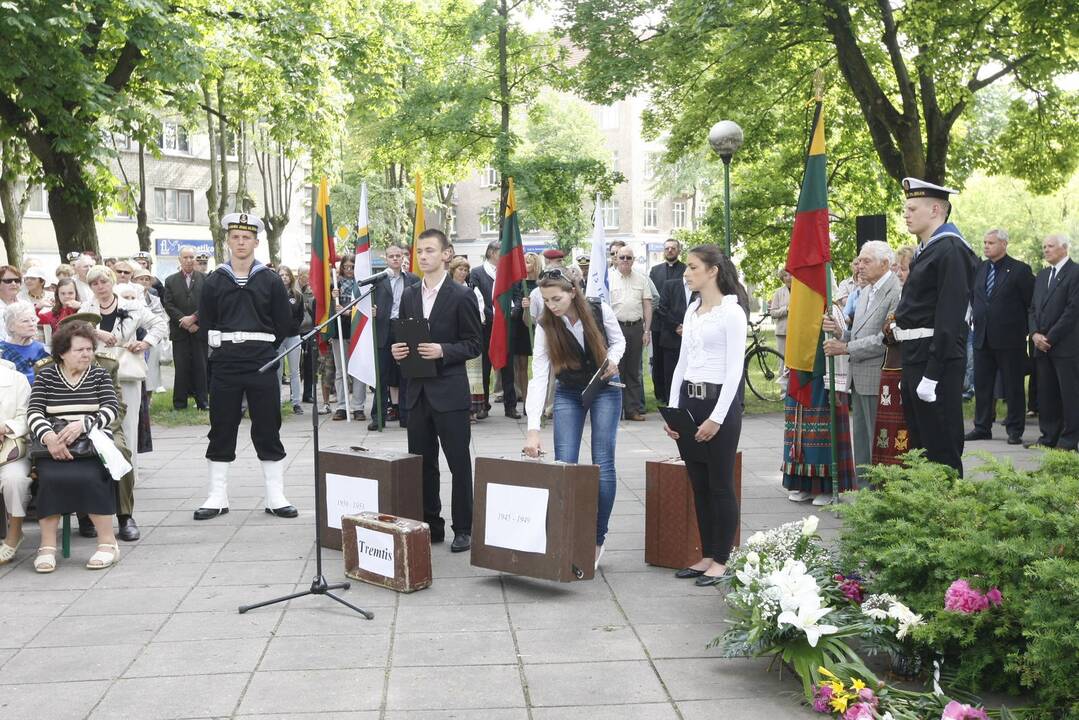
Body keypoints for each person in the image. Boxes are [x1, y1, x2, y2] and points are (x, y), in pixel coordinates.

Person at [195, 212, 296, 520]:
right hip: (225, 362)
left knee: (268, 425)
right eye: (235, 237)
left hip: (261, 362)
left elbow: (283, 324)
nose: (241, 242)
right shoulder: (214, 280)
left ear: (256, 241)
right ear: (228, 241)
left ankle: (275, 495)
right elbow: (206, 322)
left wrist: (261, 347)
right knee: (222, 425)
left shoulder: (269, 280)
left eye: (247, 237)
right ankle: (217, 495)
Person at [522, 268, 625, 568]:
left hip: (605, 387)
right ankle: (565, 536)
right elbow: (539, 377)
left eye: (557, 298)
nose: (552, 306)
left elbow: (619, 342)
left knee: (602, 462)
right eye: (546, 300)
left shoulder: (598, 309)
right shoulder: (545, 326)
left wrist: (614, 361)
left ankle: (596, 538)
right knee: (565, 464)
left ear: (573, 292)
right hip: (568, 391)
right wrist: (532, 429)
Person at [392, 228, 482, 552]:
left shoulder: (461, 295)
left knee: (458, 462)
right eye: (419, 251)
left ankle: (464, 527)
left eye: (430, 250)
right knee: (422, 463)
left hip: (449, 393)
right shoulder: (409, 294)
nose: (423, 256)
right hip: (417, 393)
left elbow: (474, 343)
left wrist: (443, 351)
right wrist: (397, 351)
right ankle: (432, 524)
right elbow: (403, 337)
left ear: (446, 254)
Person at [664, 245, 748, 586]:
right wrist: (672, 410)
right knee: (698, 484)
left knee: (720, 484)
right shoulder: (693, 310)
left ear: (712, 270)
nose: (687, 272)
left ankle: (723, 558)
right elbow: (681, 363)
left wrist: (716, 417)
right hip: (690, 401)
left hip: (719, 405)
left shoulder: (732, 312)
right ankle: (707, 554)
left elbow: (734, 370)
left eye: (693, 266)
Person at [891, 178, 977, 475]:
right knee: (921, 445)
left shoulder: (951, 249)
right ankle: (926, 516)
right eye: (906, 208)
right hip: (918, 355)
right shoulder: (928, 249)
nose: (906, 214)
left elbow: (950, 318)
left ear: (936, 210)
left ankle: (946, 516)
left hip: (936, 360)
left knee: (941, 448)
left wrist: (931, 374)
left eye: (913, 208)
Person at [81, 265, 167, 541]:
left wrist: (145, 343)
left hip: (126, 374)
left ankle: (127, 492)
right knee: (94, 432)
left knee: (126, 432)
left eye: (104, 282)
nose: (100, 287)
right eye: (95, 284)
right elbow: (72, 333)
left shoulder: (131, 305)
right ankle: (91, 505)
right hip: (93, 375)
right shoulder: (86, 308)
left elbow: (159, 323)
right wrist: (95, 334)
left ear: (112, 281)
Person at [27, 321, 122, 572]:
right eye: (80, 350)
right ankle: (47, 546)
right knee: (49, 479)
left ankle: (107, 543)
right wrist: (48, 437)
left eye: (89, 349)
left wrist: (84, 424)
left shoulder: (99, 374)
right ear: (63, 352)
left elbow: (111, 409)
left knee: (92, 477)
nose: (87, 354)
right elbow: (34, 411)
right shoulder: (46, 375)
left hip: (91, 444)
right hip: (54, 445)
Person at [822, 241, 900, 483]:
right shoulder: (866, 290)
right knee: (863, 444)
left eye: (866, 261)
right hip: (860, 378)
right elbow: (858, 334)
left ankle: (881, 497)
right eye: (859, 260)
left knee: (880, 443)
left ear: (885, 263)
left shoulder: (896, 292)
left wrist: (845, 347)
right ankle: (866, 496)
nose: (859, 266)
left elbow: (885, 339)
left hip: (880, 378)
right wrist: (840, 332)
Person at [783, 286, 857, 506]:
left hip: (824, 379)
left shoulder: (831, 310)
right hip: (801, 376)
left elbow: (840, 344)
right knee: (799, 432)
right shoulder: (798, 310)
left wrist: (837, 384)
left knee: (822, 430)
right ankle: (802, 482)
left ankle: (825, 485)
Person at [966, 229, 1036, 445]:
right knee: (983, 385)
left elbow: (1030, 304)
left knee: (1013, 385)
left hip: (1010, 339)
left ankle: (1015, 429)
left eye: (991, 243)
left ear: (1004, 244)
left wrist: (1024, 331)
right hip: (982, 337)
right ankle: (982, 426)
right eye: (985, 242)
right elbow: (975, 297)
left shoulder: (1019, 270)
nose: (986, 246)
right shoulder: (980, 268)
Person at [1028, 234, 1079, 451]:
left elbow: (1072, 310)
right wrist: (1034, 335)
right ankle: (1048, 437)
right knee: (1047, 394)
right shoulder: (1042, 275)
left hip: (1065, 346)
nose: (1046, 250)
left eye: (1050, 246)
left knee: (1069, 394)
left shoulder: (1075, 273)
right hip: (1041, 345)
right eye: (1044, 246)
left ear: (1064, 248)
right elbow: (1032, 308)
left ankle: (1069, 440)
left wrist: (1049, 337)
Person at [872, 246, 915, 466]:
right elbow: (887, 331)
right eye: (897, 267)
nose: (898, 273)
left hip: (905, 368)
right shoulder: (902, 293)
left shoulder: (916, 297)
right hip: (890, 367)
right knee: (886, 430)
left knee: (901, 428)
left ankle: (902, 477)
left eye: (904, 268)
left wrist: (892, 326)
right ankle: (883, 478)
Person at [368, 243, 418, 430]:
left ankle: (406, 416)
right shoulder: (378, 279)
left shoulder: (412, 279)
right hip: (384, 328)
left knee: (406, 373)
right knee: (381, 374)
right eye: (392, 256)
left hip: (404, 327)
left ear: (403, 257)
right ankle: (377, 417)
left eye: (399, 255)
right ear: (386, 259)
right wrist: (371, 310)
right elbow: (364, 299)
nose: (396, 259)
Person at [469, 240, 521, 419]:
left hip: (507, 327)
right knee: (484, 367)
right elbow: (475, 299)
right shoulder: (476, 273)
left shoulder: (509, 273)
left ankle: (511, 406)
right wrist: (492, 317)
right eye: (502, 252)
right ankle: (482, 405)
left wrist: (513, 311)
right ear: (491, 253)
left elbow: (517, 297)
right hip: (485, 327)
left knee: (508, 368)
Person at [163, 246, 209, 411]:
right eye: (186, 257)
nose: (189, 260)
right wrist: (183, 321)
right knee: (181, 368)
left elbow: (208, 303)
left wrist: (194, 318)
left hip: (199, 330)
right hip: (180, 331)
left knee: (201, 367)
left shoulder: (205, 279)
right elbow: (168, 304)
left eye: (191, 257)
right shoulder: (170, 280)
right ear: (179, 259)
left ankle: (203, 402)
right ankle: (179, 403)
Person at [610, 245, 652, 421]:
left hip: (635, 328)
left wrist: (647, 330)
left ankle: (633, 410)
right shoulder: (608, 278)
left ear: (633, 260)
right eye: (622, 257)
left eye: (629, 257)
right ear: (616, 259)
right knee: (615, 370)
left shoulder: (642, 279)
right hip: (615, 329)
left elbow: (647, 305)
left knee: (633, 370)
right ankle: (616, 410)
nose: (625, 261)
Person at [0, 359, 32, 566]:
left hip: (11, 449)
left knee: (15, 480)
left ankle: (15, 532)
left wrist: (4, 427)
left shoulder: (16, 379)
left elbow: (27, 416)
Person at [329, 253, 366, 421]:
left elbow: (366, 304)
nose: (349, 270)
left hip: (357, 328)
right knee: (340, 369)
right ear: (341, 268)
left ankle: (358, 406)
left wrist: (350, 312)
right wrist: (333, 298)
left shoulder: (362, 283)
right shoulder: (335, 285)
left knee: (358, 370)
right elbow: (326, 309)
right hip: (340, 331)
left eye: (352, 266)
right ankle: (342, 406)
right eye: (346, 267)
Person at [449, 257, 487, 422]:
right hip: (452, 337)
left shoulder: (472, 288)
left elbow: (480, 309)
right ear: (453, 270)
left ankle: (472, 409)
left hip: (471, 334)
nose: (463, 273)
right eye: (460, 269)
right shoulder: (447, 288)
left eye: (465, 270)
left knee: (473, 374)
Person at [649, 238, 686, 404]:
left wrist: (679, 324)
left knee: (680, 359)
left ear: (678, 251)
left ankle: (679, 392)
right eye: (667, 248)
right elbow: (653, 297)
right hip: (659, 323)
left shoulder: (686, 270)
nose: (670, 251)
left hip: (682, 323)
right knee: (659, 360)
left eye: (673, 248)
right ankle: (661, 393)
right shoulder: (655, 271)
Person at [657, 274, 696, 404]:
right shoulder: (670, 285)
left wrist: (689, 328)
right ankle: (672, 404)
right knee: (671, 374)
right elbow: (662, 309)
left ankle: (688, 403)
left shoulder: (700, 288)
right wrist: (676, 326)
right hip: (671, 339)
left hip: (693, 339)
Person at [132, 266, 169, 393]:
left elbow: (161, 317)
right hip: (135, 338)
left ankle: (148, 400)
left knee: (151, 372)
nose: (144, 281)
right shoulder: (130, 296)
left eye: (147, 279)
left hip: (152, 339)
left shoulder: (155, 298)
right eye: (140, 279)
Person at [275, 265, 305, 415]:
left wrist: (293, 327)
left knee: (295, 371)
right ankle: (278, 401)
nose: (284, 277)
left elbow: (300, 316)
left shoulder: (297, 295)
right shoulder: (272, 294)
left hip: (293, 336)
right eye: (281, 275)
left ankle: (296, 402)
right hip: (278, 337)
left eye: (287, 275)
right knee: (278, 371)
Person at [512, 252, 539, 409]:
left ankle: (538, 399)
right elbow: (515, 302)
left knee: (538, 365)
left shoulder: (541, 282)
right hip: (521, 328)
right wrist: (519, 306)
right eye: (523, 262)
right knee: (521, 366)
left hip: (538, 327)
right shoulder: (517, 283)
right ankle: (526, 399)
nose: (525, 265)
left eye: (528, 262)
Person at [1, 302, 50, 384]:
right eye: (25, 321)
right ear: (11, 326)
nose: (31, 324)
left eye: (33, 320)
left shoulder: (42, 349)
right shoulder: (2, 351)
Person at [769, 269, 792, 358]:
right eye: (785, 275)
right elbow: (773, 313)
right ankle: (782, 373)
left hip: (796, 331)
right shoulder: (778, 292)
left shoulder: (799, 292)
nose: (789, 278)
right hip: (783, 332)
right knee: (783, 360)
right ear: (782, 278)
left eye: (791, 275)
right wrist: (785, 310)